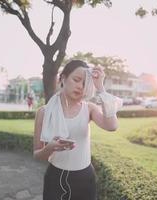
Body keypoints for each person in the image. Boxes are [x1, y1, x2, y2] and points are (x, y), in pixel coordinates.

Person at [33, 60, 123, 200]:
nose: (80, 87)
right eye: (76, 80)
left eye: (84, 83)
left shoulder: (89, 109)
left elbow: (112, 126)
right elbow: (37, 154)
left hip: (85, 179)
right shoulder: (44, 112)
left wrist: (100, 87)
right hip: (55, 178)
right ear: (63, 78)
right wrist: (50, 148)